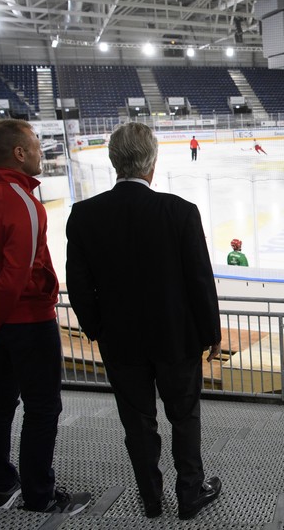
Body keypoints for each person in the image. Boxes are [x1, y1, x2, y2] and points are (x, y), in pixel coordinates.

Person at [65, 122, 222, 521]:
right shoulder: (179, 212)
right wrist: (211, 334)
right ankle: (189, 495)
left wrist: (98, 330)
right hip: (177, 339)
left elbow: (79, 287)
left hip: (121, 343)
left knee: (137, 422)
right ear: (151, 163)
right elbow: (200, 281)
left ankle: (151, 499)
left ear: (114, 162)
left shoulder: (84, 215)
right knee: (184, 417)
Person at [0, 119, 91, 516]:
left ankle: (1, 485)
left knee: (0, 401)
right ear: (20, 153)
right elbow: (16, 277)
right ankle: (40, 496)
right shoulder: (23, 203)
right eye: (37, 145)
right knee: (42, 409)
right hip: (26, 322)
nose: (43, 152)